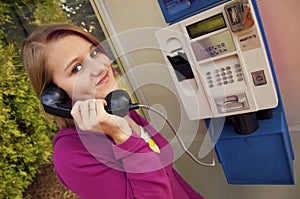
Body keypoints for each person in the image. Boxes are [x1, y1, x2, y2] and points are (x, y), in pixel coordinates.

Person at [22, 23, 204, 199]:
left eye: (94, 52)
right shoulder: (71, 155)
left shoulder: (120, 109)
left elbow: (170, 178)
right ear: (55, 95)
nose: (100, 67)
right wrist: (123, 138)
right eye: (76, 68)